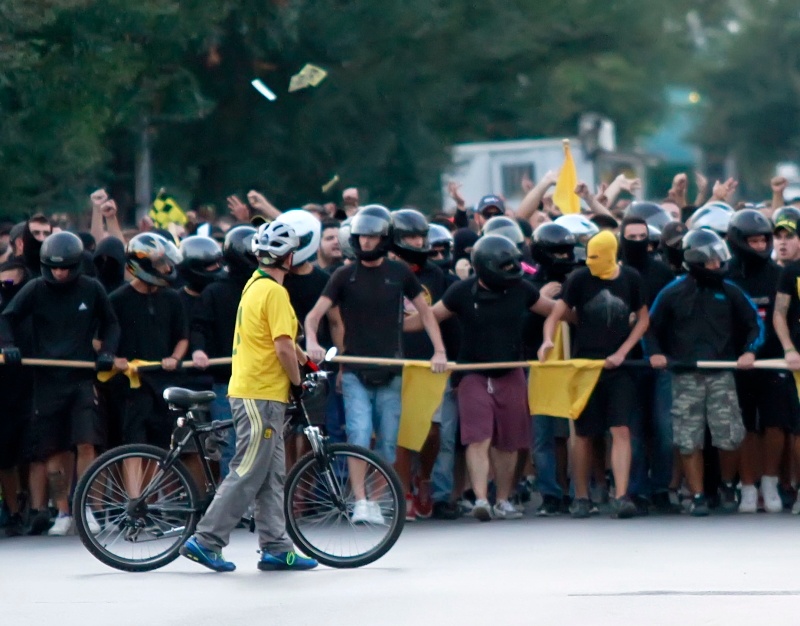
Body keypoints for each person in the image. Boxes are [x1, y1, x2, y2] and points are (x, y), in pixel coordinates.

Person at [181, 220, 317, 572]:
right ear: (289, 257)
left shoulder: (255, 285)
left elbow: (285, 341)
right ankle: (206, 539)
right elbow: (283, 346)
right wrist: (298, 381)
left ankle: (276, 547)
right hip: (260, 394)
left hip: (257, 391)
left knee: (271, 475)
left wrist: (307, 362)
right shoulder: (274, 292)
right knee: (247, 470)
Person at [304, 204, 447, 525]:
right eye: (361, 237)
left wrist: (439, 351)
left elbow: (427, 314)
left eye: (372, 237)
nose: (366, 242)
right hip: (355, 371)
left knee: (388, 440)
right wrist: (312, 341)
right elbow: (313, 317)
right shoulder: (344, 275)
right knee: (359, 433)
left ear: (385, 239)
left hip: (392, 370)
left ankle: (379, 500)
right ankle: (360, 501)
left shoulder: (400, 274)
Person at [406, 235, 554, 521]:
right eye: (505, 266)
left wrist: (559, 329)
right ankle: (482, 500)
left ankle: (503, 500)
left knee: (509, 442)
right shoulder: (461, 291)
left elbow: (555, 310)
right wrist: (395, 324)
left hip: (511, 371)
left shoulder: (522, 288)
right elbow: (430, 317)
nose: (512, 271)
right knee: (478, 437)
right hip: (471, 373)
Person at [0, 232, 120, 535]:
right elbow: (6, 318)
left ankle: (87, 507)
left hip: (81, 378)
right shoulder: (35, 289)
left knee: (86, 442)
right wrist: (8, 345)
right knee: (52, 449)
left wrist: (107, 351)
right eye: (54, 268)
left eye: (65, 268)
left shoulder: (92, 289)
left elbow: (111, 323)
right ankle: (63, 511)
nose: (59, 274)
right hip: (47, 380)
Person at [647, 229, 763, 516]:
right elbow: (649, 329)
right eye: (711, 261)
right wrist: (655, 354)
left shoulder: (731, 290)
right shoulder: (672, 292)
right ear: (695, 260)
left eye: (719, 260)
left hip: (722, 374)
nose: (717, 265)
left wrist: (750, 351)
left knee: (730, 436)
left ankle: (726, 484)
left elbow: (755, 324)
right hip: (684, 376)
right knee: (688, 439)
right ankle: (698, 494)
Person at [539, 230, 649, 520]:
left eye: (597, 257)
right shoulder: (579, 278)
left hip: (619, 367)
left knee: (621, 429)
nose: (591, 263)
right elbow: (555, 315)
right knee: (584, 434)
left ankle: (621, 495)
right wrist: (547, 340)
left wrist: (622, 352)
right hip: (585, 367)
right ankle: (581, 496)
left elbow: (643, 319)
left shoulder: (631, 279)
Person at [725, 210, 794, 513]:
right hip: (737, 362)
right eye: (753, 241)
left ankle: (770, 481)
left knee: (775, 424)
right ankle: (748, 486)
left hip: (774, 360)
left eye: (764, 240)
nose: (761, 246)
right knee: (744, 426)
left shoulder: (779, 274)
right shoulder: (725, 275)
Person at [618, 216, 676, 513]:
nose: (638, 243)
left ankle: (661, 488)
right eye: (632, 237)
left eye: (643, 237)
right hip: (626, 364)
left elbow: (671, 315)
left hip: (660, 361)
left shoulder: (662, 272)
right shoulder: (614, 273)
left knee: (665, 431)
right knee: (634, 433)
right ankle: (637, 490)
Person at [109, 233, 188, 451]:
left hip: (162, 382)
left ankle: (154, 476)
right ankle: (133, 478)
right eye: (160, 263)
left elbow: (182, 337)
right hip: (131, 384)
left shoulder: (172, 298)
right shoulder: (117, 299)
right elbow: (100, 340)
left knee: (160, 445)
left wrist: (174, 358)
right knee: (133, 443)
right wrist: (113, 358)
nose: (167, 268)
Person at [191, 226, 258, 478]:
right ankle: (231, 500)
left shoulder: (262, 289)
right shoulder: (215, 291)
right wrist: (198, 350)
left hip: (259, 378)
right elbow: (199, 325)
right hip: (226, 381)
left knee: (258, 445)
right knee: (229, 445)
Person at [526, 222, 577, 516]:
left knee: (570, 433)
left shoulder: (578, 280)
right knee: (543, 435)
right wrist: (541, 298)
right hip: (541, 368)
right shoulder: (528, 284)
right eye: (558, 252)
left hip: (573, 366)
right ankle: (550, 493)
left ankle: (574, 490)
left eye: (567, 252)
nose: (564, 258)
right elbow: (522, 327)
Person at [0, 259, 33, 536]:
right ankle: (12, 511)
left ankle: (31, 506)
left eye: (11, 282)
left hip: (33, 384)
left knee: (32, 452)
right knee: (5, 456)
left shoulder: (32, 300)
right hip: (4, 389)